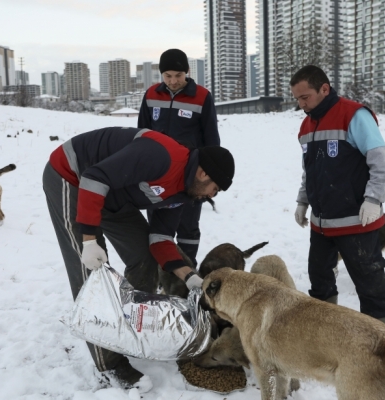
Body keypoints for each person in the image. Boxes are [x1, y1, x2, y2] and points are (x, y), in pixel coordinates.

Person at [42, 126, 234, 391]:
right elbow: (94, 177)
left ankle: (129, 328)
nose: (211, 196)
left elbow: (161, 239)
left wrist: (189, 276)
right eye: (215, 189)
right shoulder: (162, 156)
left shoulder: (183, 194)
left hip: (113, 196)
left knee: (143, 256)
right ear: (203, 173)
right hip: (73, 178)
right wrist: (88, 240)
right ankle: (109, 364)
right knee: (92, 272)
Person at [289, 65, 385, 325]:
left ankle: (379, 340)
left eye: (305, 97)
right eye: (297, 99)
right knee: (319, 281)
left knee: (370, 284)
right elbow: (309, 170)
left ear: (324, 89)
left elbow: (380, 162)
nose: (301, 105)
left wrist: (373, 200)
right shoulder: (306, 125)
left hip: (357, 221)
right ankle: (326, 334)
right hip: (321, 223)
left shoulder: (354, 115)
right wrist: (303, 201)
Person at [138, 48, 220, 266]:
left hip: (190, 175)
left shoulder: (202, 97)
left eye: (178, 76)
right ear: (161, 74)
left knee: (188, 226)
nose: (173, 81)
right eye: (167, 76)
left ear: (187, 72)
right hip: (157, 175)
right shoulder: (151, 95)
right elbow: (141, 136)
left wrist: (210, 176)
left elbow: (212, 140)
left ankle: (186, 269)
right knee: (157, 226)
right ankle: (160, 270)